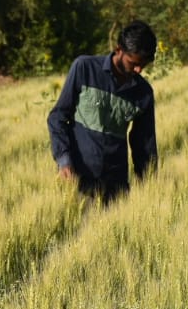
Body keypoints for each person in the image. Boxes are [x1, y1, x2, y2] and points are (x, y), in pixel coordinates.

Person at [48, 20, 158, 203]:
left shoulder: (144, 93)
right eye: (133, 63)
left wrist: (150, 188)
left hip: (116, 187)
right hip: (77, 182)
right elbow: (58, 117)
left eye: (144, 65)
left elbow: (144, 146)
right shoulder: (84, 68)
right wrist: (64, 160)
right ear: (118, 50)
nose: (139, 70)